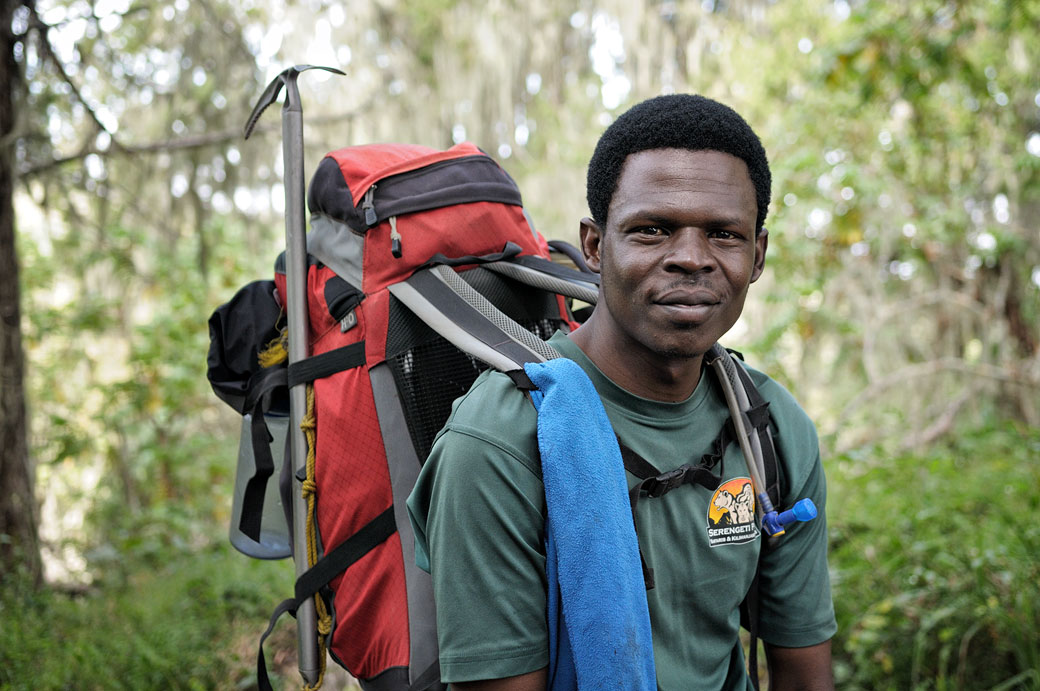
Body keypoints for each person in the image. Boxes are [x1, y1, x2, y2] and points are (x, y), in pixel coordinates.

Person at [406, 94, 836, 690]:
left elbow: (804, 673)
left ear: (757, 255)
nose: (691, 259)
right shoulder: (500, 444)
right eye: (651, 229)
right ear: (595, 245)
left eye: (724, 235)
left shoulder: (769, 429)